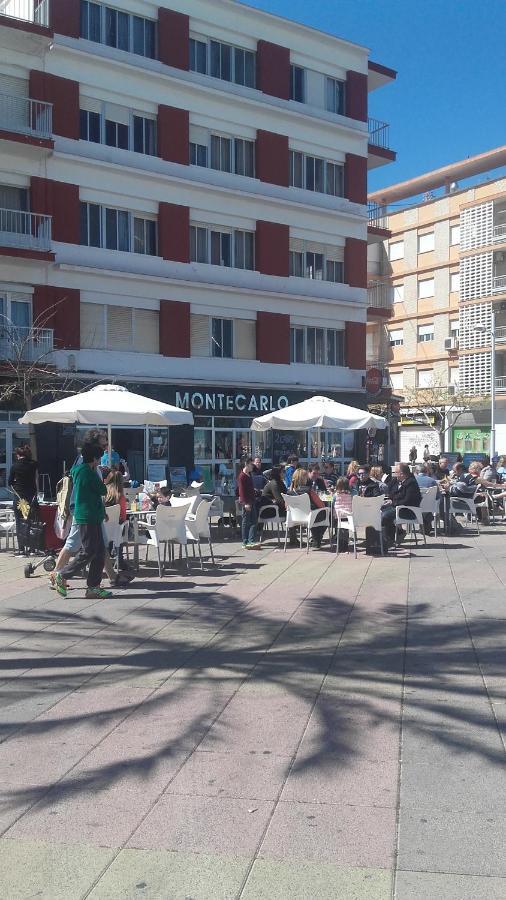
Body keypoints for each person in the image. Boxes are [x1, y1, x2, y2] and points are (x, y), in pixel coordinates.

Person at [55, 443, 112, 600]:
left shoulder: (79, 470)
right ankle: (62, 574)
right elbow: (102, 490)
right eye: (99, 459)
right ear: (94, 458)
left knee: (100, 552)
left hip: (92, 514)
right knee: (89, 551)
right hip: (87, 517)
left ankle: (93, 587)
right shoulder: (88, 472)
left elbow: (92, 495)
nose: (100, 462)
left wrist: (102, 512)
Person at [381, 463, 421, 547]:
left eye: (396, 472)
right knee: (379, 512)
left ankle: (389, 539)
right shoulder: (397, 481)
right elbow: (390, 491)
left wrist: (393, 502)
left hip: (408, 510)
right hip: (398, 507)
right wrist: (390, 499)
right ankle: (395, 534)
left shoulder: (411, 483)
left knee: (385, 515)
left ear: (402, 474)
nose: (394, 475)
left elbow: (407, 500)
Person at [8, 444, 38, 555]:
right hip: (31, 497)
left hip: (19, 498)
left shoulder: (15, 466)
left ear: (18, 455)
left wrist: (16, 483)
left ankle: (21, 549)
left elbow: (10, 482)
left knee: (20, 522)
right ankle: (33, 548)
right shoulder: (34, 464)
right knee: (31, 522)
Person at [289, 467, 327, 550]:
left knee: (316, 513)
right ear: (305, 478)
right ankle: (316, 539)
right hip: (310, 518)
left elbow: (286, 507)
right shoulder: (309, 491)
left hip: (295, 518)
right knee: (326, 513)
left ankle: (315, 539)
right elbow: (321, 505)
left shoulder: (289, 493)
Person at [238, 457, 260, 549]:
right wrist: (245, 503)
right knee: (246, 522)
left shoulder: (249, 474)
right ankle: (245, 541)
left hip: (252, 500)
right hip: (247, 502)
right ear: (246, 464)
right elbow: (241, 491)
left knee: (254, 521)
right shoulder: (242, 476)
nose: (252, 466)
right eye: (251, 464)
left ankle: (251, 540)